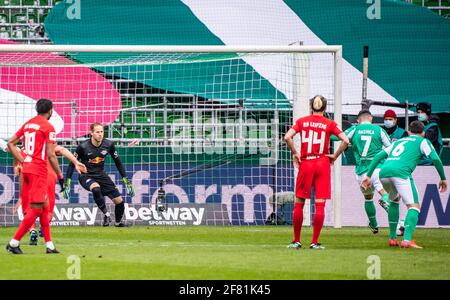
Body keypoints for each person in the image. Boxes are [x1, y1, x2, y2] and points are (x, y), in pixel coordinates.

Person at [361, 121, 447, 248]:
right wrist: (443, 178)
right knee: (414, 207)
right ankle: (407, 240)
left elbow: (379, 155)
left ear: (408, 132)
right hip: (400, 173)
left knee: (394, 201)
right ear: (423, 133)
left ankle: (392, 238)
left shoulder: (399, 141)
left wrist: (368, 176)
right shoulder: (423, 141)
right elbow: (435, 158)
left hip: (384, 173)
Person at [284, 95, 349, 250]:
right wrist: (335, 155)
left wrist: (295, 152)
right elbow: (346, 140)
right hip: (322, 163)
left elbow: (287, 137)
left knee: (299, 203)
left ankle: (297, 241)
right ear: (325, 108)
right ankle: (314, 242)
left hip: (306, 163)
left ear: (310, 107)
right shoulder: (330, 123)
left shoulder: (301, 121)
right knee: (320, 204)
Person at [5, 98, 63, 254]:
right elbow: (51, 155)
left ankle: (49, 245)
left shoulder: (29, 123)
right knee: (37, 209)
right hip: (39, 170)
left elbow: (10, 143)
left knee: (44, 206)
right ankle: (14, 243)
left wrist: (23, 160)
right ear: (50, 111)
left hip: (27, 169)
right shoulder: (48, 127)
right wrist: (59, 174)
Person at [62, 122, 135, 227]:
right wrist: (67, 183)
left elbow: (118, 162)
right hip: (86, 175)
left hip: (101, 175)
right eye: (97, 132)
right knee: (96, 188)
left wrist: (126, 181)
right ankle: (106, 214)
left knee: (119, 202)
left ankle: (118, 222)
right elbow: (72, 164)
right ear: (91, 133)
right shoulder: (82, 147)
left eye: (101, 131)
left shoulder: (109, 145)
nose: (100, 134)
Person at [14, 145, 87, 245]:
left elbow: (17, 169)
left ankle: (32, 231)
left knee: (28, 210)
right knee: (47, 210)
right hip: (48, 177)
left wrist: (21, 196)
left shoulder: (20, 150)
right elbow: (62, 149)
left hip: (31, 178)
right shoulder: (44, 146)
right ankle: (44, 230)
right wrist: (76, 162)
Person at [341, 110, 392, 234]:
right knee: (382, 190)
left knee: (368, 198)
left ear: (358, 120)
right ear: (371, 118)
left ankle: (374, 225)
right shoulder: (379, 130)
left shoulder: (354, 130)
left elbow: (339, 137)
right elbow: (390, 147)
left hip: (361, 171)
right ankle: (385, 199)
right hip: (377, 167)